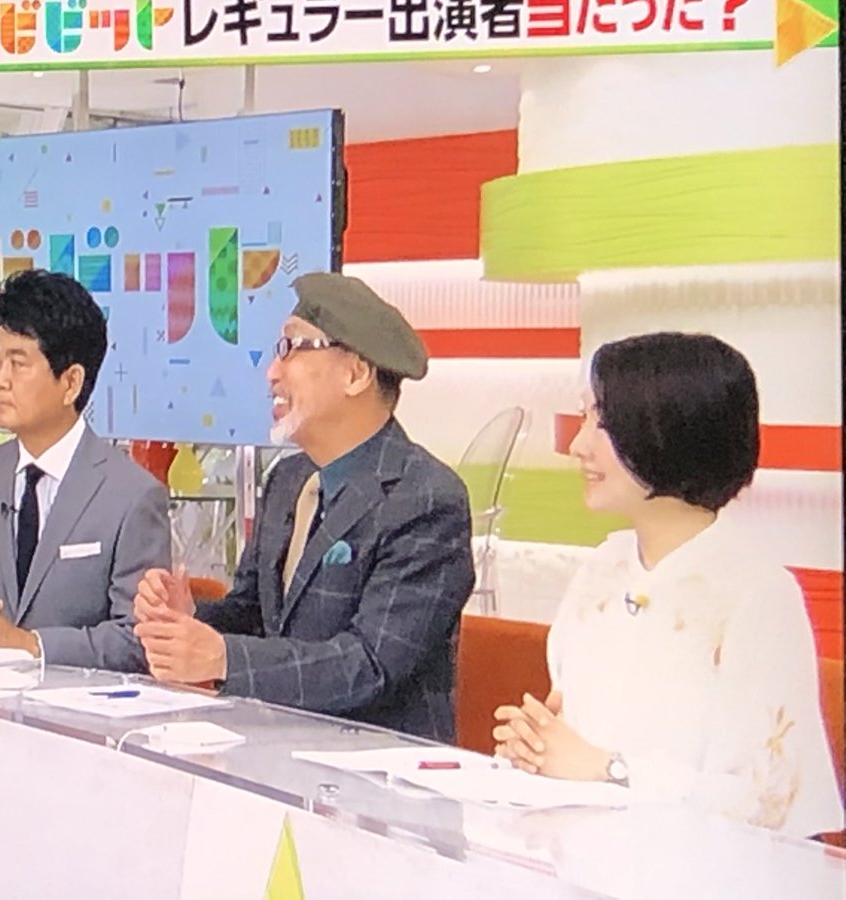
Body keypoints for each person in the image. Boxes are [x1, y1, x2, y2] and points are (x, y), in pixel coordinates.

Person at [493, 332, 843, 838]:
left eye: (603, 423)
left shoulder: (758, 593)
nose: (577, 445)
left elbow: (771, 806)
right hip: (580, 853)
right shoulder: (603, 568)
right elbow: (570, 731)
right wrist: (535, 747)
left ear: (673, 431)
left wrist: (610, 769)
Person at [133, 273, 474, 742]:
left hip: (374, 766)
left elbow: (369, 664)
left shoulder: (425, 498)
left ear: (355, 374)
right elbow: (255, 614)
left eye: (292, 348)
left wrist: (222, 658)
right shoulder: (288, 480)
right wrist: (188, 620)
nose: (272, 372)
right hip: (271, 748)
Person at [0, 269, 171, 671]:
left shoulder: (133, 496)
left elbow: (137, 637)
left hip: (82, 704)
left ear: (71, 382)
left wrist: (28, 644)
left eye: (18, 363)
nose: (0, 380)